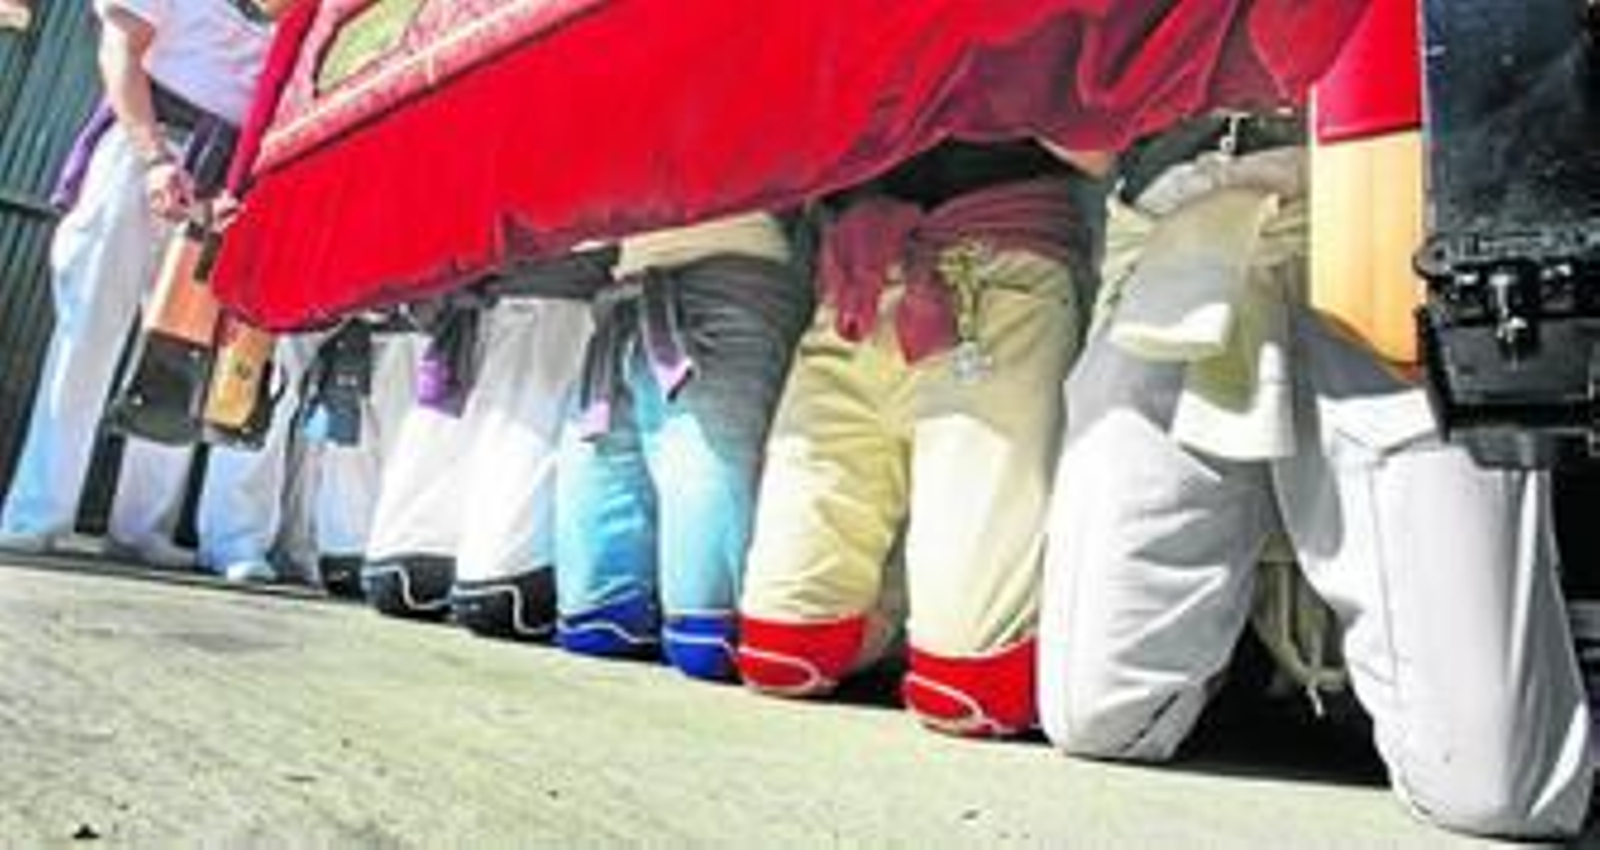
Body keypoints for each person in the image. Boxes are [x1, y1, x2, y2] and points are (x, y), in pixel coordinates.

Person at [1035, 114, 1595, 838]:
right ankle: (1251, 654)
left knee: (1495, 788)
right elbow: (1074, 126)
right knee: (1100, 715)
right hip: (1185, 215)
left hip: (1401, 204)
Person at [735, 140, 1107, 736]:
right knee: (782, 648)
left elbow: (1104, 149)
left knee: (969, 687)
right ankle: (911, 593)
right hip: (856, 272)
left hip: (1001, 258)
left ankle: (927, 596)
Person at [0, 0, 273, 569]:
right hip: (142, 143)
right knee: (88, 333)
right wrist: (152, 158)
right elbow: (120, 47)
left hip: (224, 178)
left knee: (180, 347)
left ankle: (142, 527)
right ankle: (36, 512)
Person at [553, 213, 813, 681]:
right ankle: (706, 619)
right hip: (734, 283)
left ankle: (624, 613)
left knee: (596, 617)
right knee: (707, 634)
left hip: (628, 291)